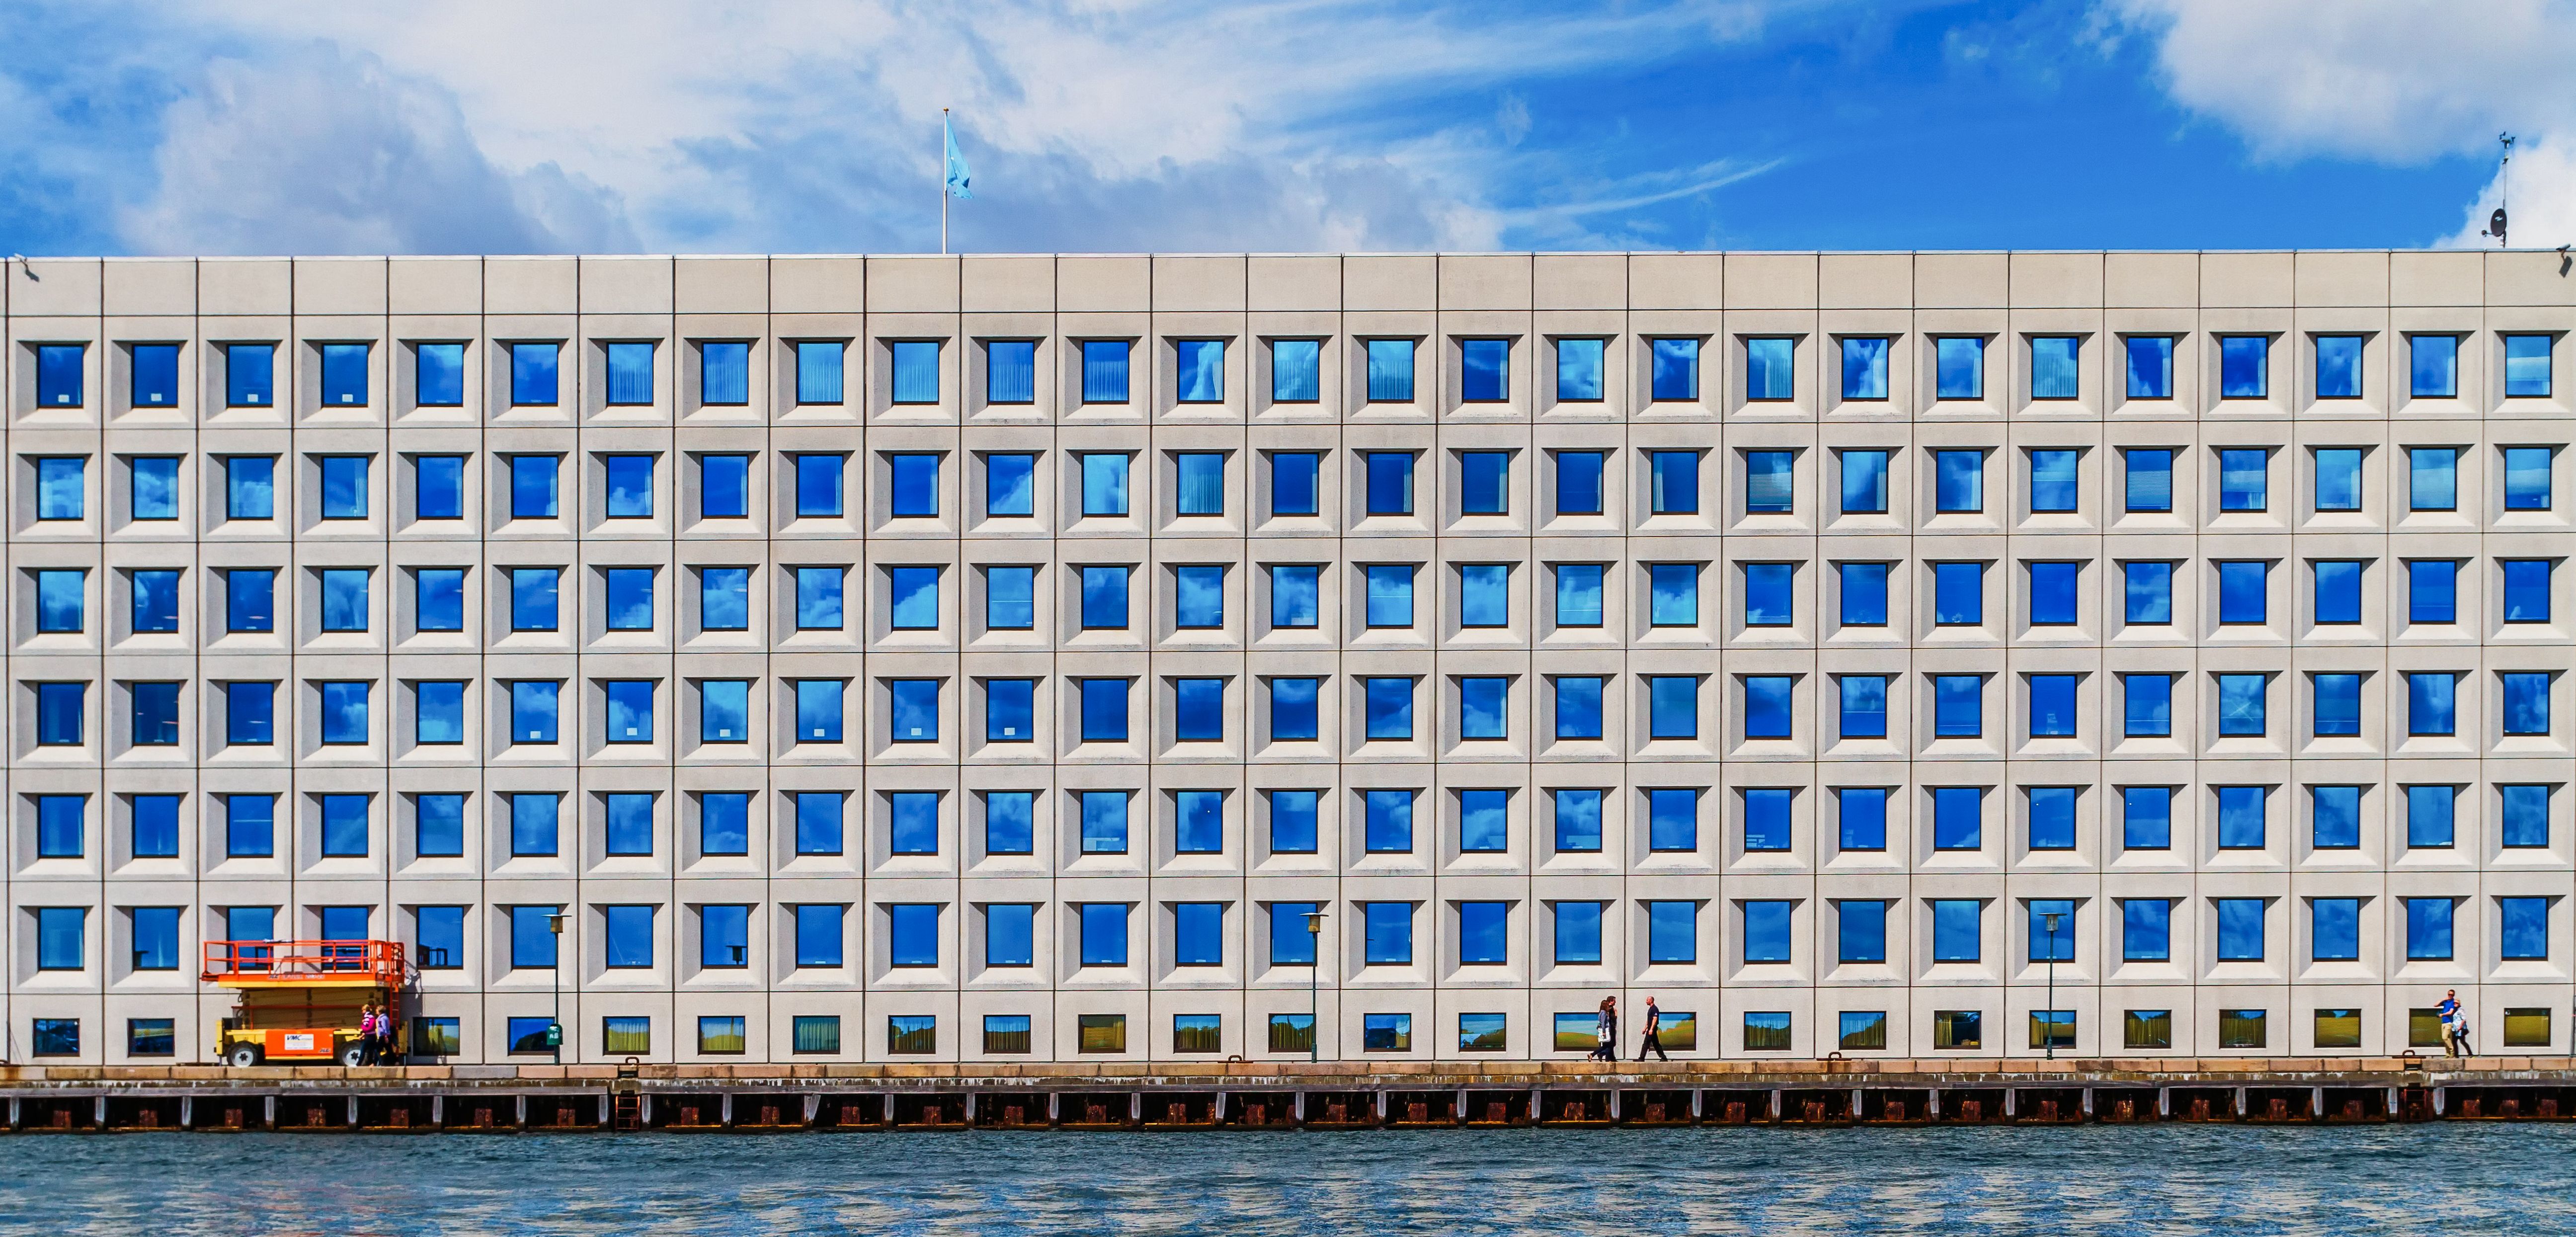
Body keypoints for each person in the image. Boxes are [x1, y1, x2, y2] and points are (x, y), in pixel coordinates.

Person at [1636, 997, 1668, 1062]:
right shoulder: (1651, 1009)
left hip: (1652, 1030)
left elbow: (1655, 1019)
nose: (1646, 1001)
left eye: (1647, 1000)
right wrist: (1645, 1028)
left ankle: (1642, 1058)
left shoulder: (1655, 1009)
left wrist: (1651, 1029)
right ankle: (1664, 1058)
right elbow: (1649, 1020)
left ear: (1651, 1001)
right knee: (1656, 1044)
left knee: (1646, 1043)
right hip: (1650, 1029)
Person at [2435, 990, 2462, 1058]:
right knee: (2446, 1039)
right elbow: (2436, 1005)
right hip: (2443, 1022)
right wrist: (2443, 1000)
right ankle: (2447, 1054)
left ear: (2454, 995)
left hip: (2449, 1023)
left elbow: (2451, 1012)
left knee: (2445, 1037)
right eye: (2449, 994)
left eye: (2452, 995)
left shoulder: (2453, 1003)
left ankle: (2452, 1051)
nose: (2450, 996)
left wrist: (2443, 1014)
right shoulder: (2446, 1002)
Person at [1593, 997, 1618, 1063]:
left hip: (1611, 1028)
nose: (1615, 1003)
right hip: (1609, 1029)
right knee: (1609, 1045)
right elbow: (1606, 1021)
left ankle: (1611, 1058)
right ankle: (1603, 1056)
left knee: (1611, 1045)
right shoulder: (1608, 1010)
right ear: (1611, 1002)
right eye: (1614, 1001)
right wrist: (1616, 1014)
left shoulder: (1608, 1010)